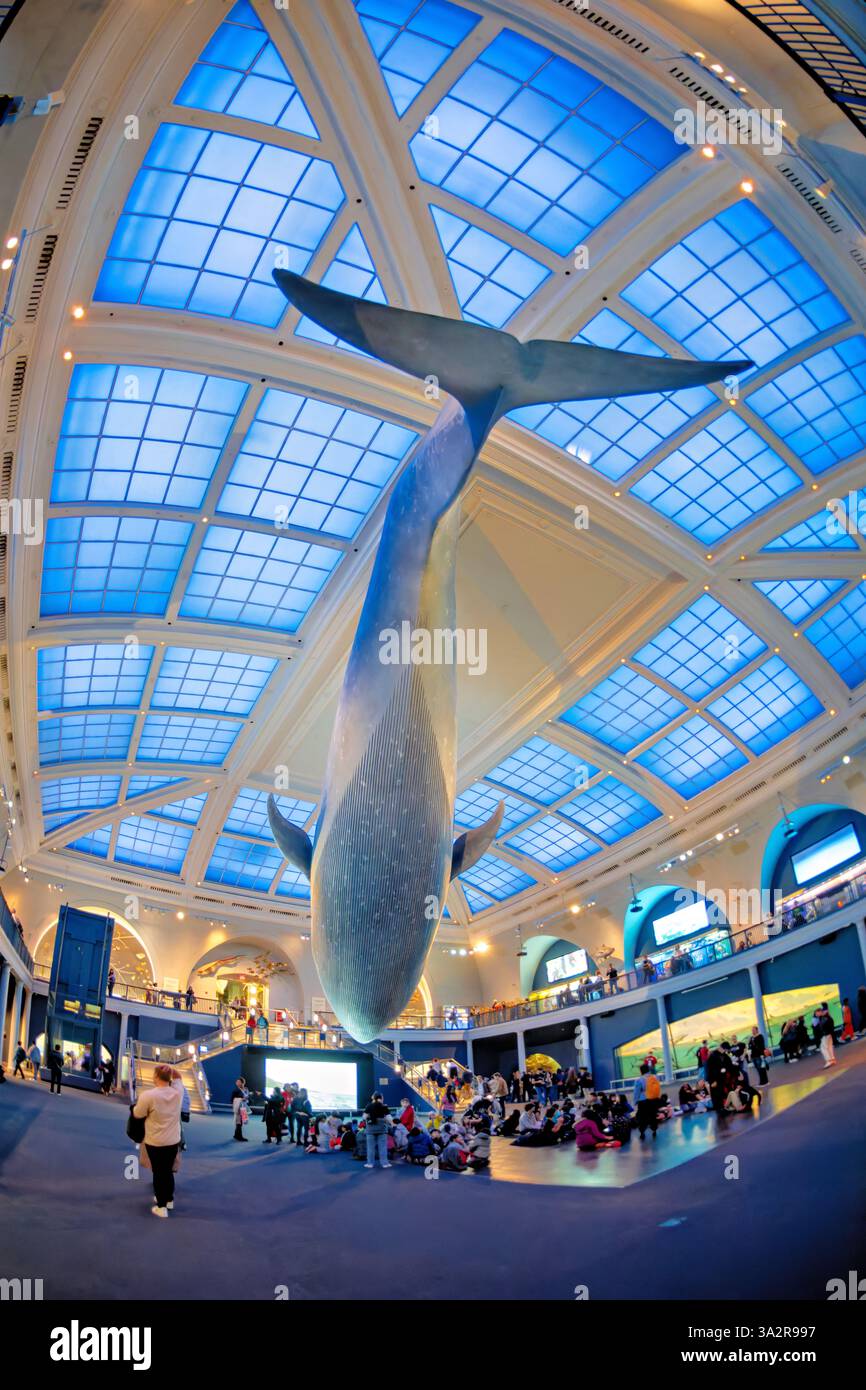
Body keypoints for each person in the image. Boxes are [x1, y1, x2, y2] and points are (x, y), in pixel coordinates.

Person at [132, 1063, 184, 1217]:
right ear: (169, 1077)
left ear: (155, 1077)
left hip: (155, 1141)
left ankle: (161, 1207)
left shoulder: (148, 1096)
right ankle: (169, 1199)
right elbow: (179, 1077)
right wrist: (169, 1068)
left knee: (158, 1173)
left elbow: (137, 1114)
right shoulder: (177, 1092)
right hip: (173, 1140)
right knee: (168, 1171)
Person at [363, 1091, 392, 1169]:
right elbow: (388, 1117)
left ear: (374, 1097)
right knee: (382, 1147)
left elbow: (364, 1117)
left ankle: (370, 1163)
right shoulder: (384, 1106)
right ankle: (385, 1163)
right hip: (382, 1129)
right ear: (381, 1098)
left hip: (370, 1129)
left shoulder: (369, 1106)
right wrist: (392, 1124)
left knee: (370, 1147)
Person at [632, 1064, 660, 1139]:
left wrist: (634, 1102)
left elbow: (636, 1092)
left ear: (641, 1071)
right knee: (653, 1115)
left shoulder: (639, 1080)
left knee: (642, 1117)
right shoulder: (655, 1077)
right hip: (654, 1100)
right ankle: (654, 1130)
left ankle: (642, 1132)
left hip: (643, 1101)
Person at [816, 1002, 837, 1068]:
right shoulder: (825, 1016)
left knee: (823, 1048)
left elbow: (823, 1026)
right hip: (828, 1034)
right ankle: (832, 1059)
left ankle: (829, 1061)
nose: (816, 1013)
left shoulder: (824, 1017)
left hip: (826, 1034)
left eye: (817, 1012)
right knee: (829, 1047)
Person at [230, 1077, 249, 1141]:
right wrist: (241, 1099)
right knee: (238, 1122)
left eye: (238, 1082)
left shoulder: (246, 1089)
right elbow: (232, 1099)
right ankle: (239, 1137)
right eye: (236, 1082)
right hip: (238, 1107)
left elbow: (247, 1098)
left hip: (243, 1107)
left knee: (241, 1122)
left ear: (242, 1083)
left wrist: (246, 1099)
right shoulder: (236, 1090)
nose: (237, 1083)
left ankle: (236, 1135)